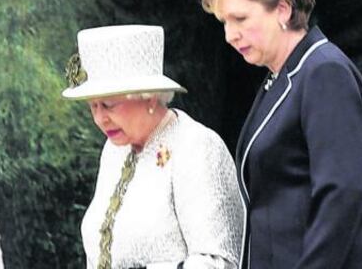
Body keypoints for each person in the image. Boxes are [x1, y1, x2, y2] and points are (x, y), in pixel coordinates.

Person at [194, 0, 362, 269]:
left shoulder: (323, 71)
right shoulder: (284, 76)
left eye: (240, 19)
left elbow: (340, 196)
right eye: (224, 22)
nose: (229, 35)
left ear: (282, 8)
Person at [63, 24, 244, 269]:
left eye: (108, 104)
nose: (99, 118)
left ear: (148, 96)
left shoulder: (196, 147)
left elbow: (218, 261)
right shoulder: (114, 151)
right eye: (92, 106)